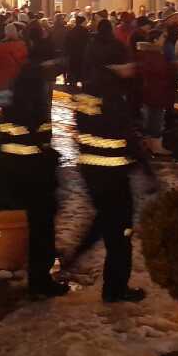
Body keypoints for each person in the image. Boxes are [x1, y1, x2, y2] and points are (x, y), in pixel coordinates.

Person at [70, 35, 147, 303]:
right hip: (113, 170)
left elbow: (81, 126)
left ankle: (79, 252)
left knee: (105, 219)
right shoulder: (113, 93)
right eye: (127, 62)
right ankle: (115, 289)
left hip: (91, 168)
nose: (132, 67)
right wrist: (144, 168)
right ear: (116, 64)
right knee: (120, 232)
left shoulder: (88, 89)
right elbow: (125, 135)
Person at [0, 57, 65, 297]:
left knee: (39, 224)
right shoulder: (33, 98)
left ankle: (39, 276)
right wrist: (47, 153)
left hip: (17, 167)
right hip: (34, 170)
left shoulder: (12, 92)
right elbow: (37, 133)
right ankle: (40, 280)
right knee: (42, 227)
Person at [0, 22, 28, 105]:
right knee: (17, 99)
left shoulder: (1, 45)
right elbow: (24, 60)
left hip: (3, 76)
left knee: (4, 101)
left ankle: (6, 115)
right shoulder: (22, 44)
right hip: (18, 74)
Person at [64, 16, 90, 87]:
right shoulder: (85, 31)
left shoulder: (72, 31)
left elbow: (67, 43)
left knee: (73, 68)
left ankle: (73, 82)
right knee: (81, 69)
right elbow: (88, 42)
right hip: (82, 53)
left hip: (73, 54)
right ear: (82, 22)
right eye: (85, 22)